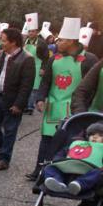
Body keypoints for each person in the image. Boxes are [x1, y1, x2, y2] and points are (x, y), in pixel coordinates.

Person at [30, 18, 99, 181]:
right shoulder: (54, 58)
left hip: (74, 109)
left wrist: (86, 108)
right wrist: (40, 98)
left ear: (73, 41)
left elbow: (91, 87)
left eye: (63, 40)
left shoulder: (89, 59)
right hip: (53, 105)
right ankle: (39, 171)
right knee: (46, 140)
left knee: (69, 143)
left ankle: (65, 174)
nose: (58, 42)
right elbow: (46, 81)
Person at [0, 28, 35, 170]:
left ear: (13, 42)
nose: (2, 43)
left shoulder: (27, 59)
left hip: (12, 101)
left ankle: (4, 158)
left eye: (4, 40)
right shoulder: (0, 54)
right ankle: (3, 147)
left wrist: (19, 104)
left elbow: (26, 85)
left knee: (10, 130)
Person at [43, 122, 103, 195]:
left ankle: (79, 184)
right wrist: (56, 161)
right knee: (50, 167)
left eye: (100, 135)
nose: (95, 137)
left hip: (88, 170)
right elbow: (62, 153)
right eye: (92, 134)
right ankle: (56, 181)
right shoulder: (77, 143)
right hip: (68, 167)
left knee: (97, 173)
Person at [23, 13, 50, 114]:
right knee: (26, 86)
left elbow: (46, 57)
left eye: (33, 31)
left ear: (37, 32)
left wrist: (43, 68)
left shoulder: (42, 43)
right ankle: (26, 105)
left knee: (34, 88)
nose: (30, 33)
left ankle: (30, 107)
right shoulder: (25, 41)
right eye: (29, 31)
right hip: (26, 67)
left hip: (37, 67)